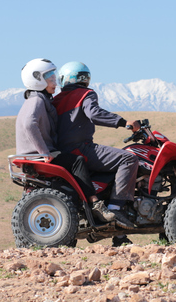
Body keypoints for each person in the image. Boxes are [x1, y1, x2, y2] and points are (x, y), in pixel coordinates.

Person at [15, 58, 115, 223]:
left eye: (54, 77)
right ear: (37, 80)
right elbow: (29, 125)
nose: (55, 82)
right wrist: (44, 152)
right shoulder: (37, 100)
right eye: (50, 78)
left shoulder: (39, 99)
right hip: (37, 154)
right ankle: (95, 204)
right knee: (77, 162)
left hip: (34, 154)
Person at [52, 61, 140, 241]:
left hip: (62, 152)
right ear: (85, 79)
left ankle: (119, 236)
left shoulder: (56, 100)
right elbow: (94, 113)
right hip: (81, 149)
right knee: (128, 160)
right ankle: (116, 209)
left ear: (65, 78)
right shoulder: (86, 94)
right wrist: (124, 123)